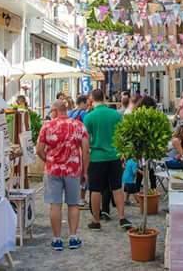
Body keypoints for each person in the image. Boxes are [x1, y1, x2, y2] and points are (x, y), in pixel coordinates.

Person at [36, 100, 89, 251]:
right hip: (73, 170)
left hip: (53, 170)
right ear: (66, 110)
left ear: (55, 110)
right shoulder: (79, 125)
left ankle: (57, 239)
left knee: (55, 204)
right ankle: (73, 237)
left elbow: (39, 149)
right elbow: (85, 150)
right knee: (73, 204)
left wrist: (48, 160)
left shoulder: (47, 126)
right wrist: (85, 170)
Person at [83, 89, 131, 231]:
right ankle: (122, 217)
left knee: (95, 190)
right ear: (104, 98)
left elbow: (86, 141)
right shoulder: (115, 115)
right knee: (117, 188)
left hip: (97, 157)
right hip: (114, 156)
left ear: (92, 99)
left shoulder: (89, 117)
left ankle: (96, 220)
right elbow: (122, 135)